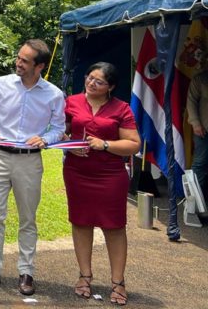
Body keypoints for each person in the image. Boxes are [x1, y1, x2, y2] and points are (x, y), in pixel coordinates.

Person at [0, 38, 65, 296]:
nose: (18, 63)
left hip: (30, 160)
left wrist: (46, 138)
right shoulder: (1, 84)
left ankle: (26, 272)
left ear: (40, 66)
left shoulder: (54, 94)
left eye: (25, 61)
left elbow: (59, 127)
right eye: (18, 57)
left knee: (28, 218)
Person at [64, 62, 140, 306]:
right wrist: (70, 146)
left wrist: (105, 144)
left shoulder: (121, 108)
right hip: (77, 172)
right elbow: (59, 132)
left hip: (110, 175)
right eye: (89, 77)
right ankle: (84, 276)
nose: (91, 83)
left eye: (99, 81)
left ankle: (118, 282)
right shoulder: (72, 102)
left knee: (114, 226)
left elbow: (133, 144)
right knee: (81, 222)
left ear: (111, 87)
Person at [186, 69, 208, 200]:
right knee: (200, 164)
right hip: (204, 129)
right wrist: (195, 123)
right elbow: (191, 101)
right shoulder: (200, 79)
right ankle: (195, 201)